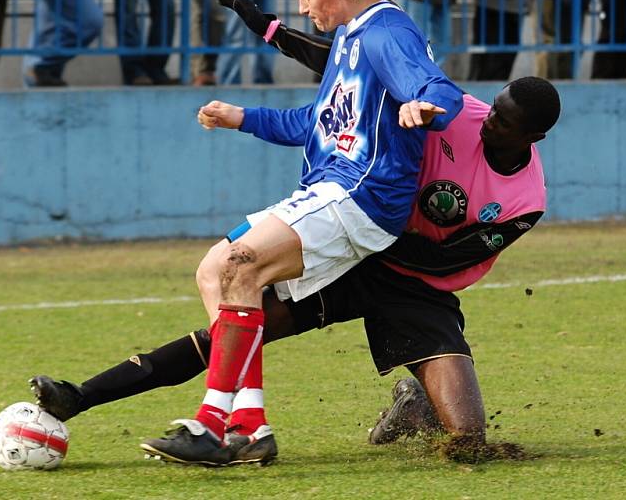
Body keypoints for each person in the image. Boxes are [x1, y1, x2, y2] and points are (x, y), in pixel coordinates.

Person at [29, 69, 561, 464]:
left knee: (468, 445)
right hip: (355, 257)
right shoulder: (456, 109)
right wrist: (271, 29)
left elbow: (443, 256)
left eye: (504, 123)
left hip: (418, 286)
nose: (487, 122)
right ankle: (80, 396)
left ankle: (414, 406)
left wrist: (361, 227)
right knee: (236, 333)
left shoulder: (525, 200)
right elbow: (357, 73)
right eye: (493, 109)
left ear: (532, 138)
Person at [136, 0, 463, 464]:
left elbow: (439, 89)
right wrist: (244, 118)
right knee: (214, 269)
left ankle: (212, 424)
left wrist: (423, 107)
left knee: (239, 264)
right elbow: (318, 121)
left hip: (363, 195)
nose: (304, 8)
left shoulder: (385, 31)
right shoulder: (350, 37)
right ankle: (251, 426)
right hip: (331, 188)